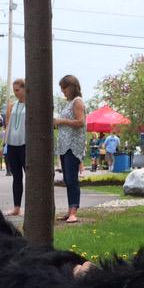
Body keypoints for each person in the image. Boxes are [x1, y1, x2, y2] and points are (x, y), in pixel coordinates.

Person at [54, 74, 86, 224]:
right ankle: (69, 210)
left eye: (64, 88)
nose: (63, 92)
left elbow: (81, 122)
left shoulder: (77, 102)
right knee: (67, 179)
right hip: (64, 146)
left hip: (73, 146)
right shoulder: (68, 103)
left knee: (72, 179)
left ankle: (74, 211)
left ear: (72, 87)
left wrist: (61, 121)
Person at [3, 77, 27, 216]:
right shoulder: (13, 105)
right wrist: (4, 143)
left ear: (24, 89)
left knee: (28, 175)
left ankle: (31, 207)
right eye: (14, 90)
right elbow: (9, 124)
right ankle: (16, 207)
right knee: (16, 177)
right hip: (12, 144)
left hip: (25, 144)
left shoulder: (31, 104)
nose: (16, 93)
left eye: (18, 90)